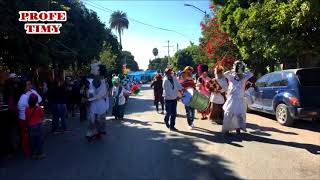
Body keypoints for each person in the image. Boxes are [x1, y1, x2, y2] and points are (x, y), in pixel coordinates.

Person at [222, 60, 253, 136]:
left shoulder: (245, 77)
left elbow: (251, 73)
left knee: (239, 114)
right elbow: (225, 74)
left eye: (240, 67)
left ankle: (238, 129)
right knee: (229, 113)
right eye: (237, 67)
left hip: (240, 99)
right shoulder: (232, 77)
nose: (239, 68)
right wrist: (233, 69)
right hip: (232, 98)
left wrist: (243, 67)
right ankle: (226, 130)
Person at [17, 80, 42, 157]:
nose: (29, 86)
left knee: (27, 135)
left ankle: (29, 150)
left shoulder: (24, 95)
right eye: (27, 85)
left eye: (30, 84)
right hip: (25, 119)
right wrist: (33, 94)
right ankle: (28, 151)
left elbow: (39, 100)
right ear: (24, 87)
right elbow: (35, 103)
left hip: (24, 118)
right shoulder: (24, 97)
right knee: (27, 136)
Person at [25, 93, 46, 160]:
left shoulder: (27, 109)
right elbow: (42, 115)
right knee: (39, 140)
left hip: (30, 126)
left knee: (32, 141)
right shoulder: (38, 108)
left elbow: (27, 117)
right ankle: (40, 154)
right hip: (38, 125)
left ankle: (33, 154)